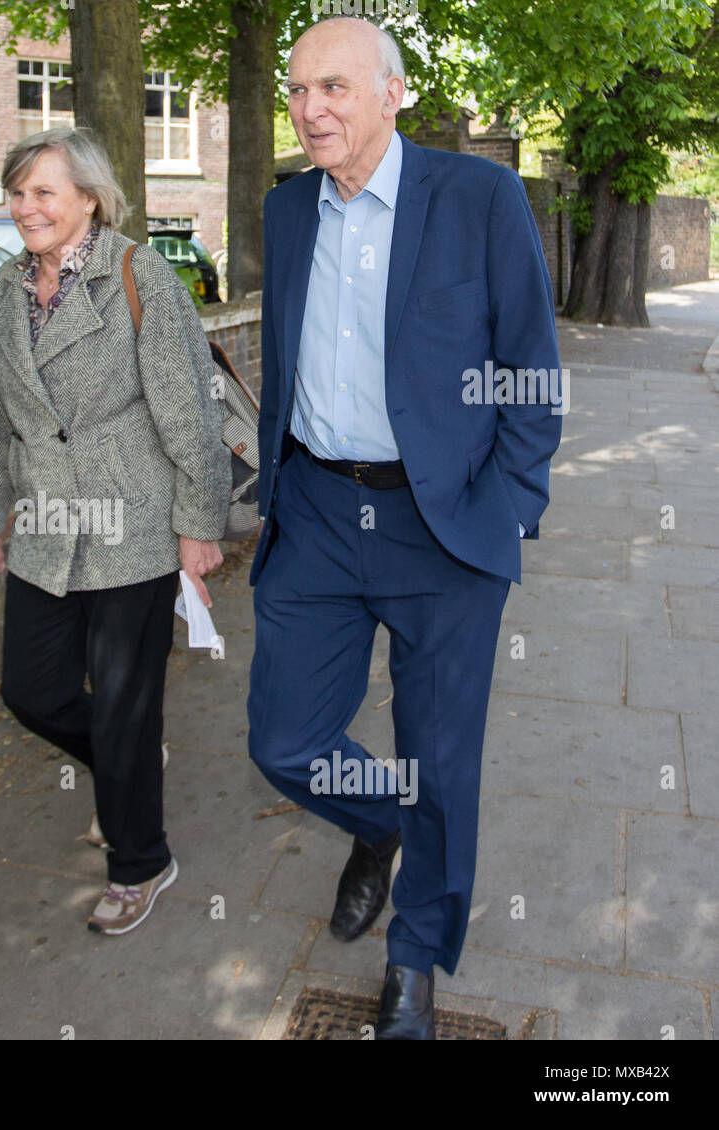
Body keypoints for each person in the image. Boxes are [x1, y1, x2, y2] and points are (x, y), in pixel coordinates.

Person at [248, 17, 562, 1038]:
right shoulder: (286, 208)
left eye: (333, 87)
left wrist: (510, 506)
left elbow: (526, 365)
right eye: (297, 90)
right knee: (284, 738)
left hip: (446, 524)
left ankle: (416, 956)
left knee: (441, 759)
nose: (310, 109)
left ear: (391, 92)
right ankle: (378, 824)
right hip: (319, 514)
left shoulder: (478, 196)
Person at [0, 127, 232, 935]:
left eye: (43, 191)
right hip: (45, 525)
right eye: (17, 191)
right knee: (31, 692)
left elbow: (188, 414)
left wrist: (198, 525)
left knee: (123, 705)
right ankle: (126, 776)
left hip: (131, 524)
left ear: (89, 199)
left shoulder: (140, 276)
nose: (25, 207)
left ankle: (140, 861)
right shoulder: (4, 289)